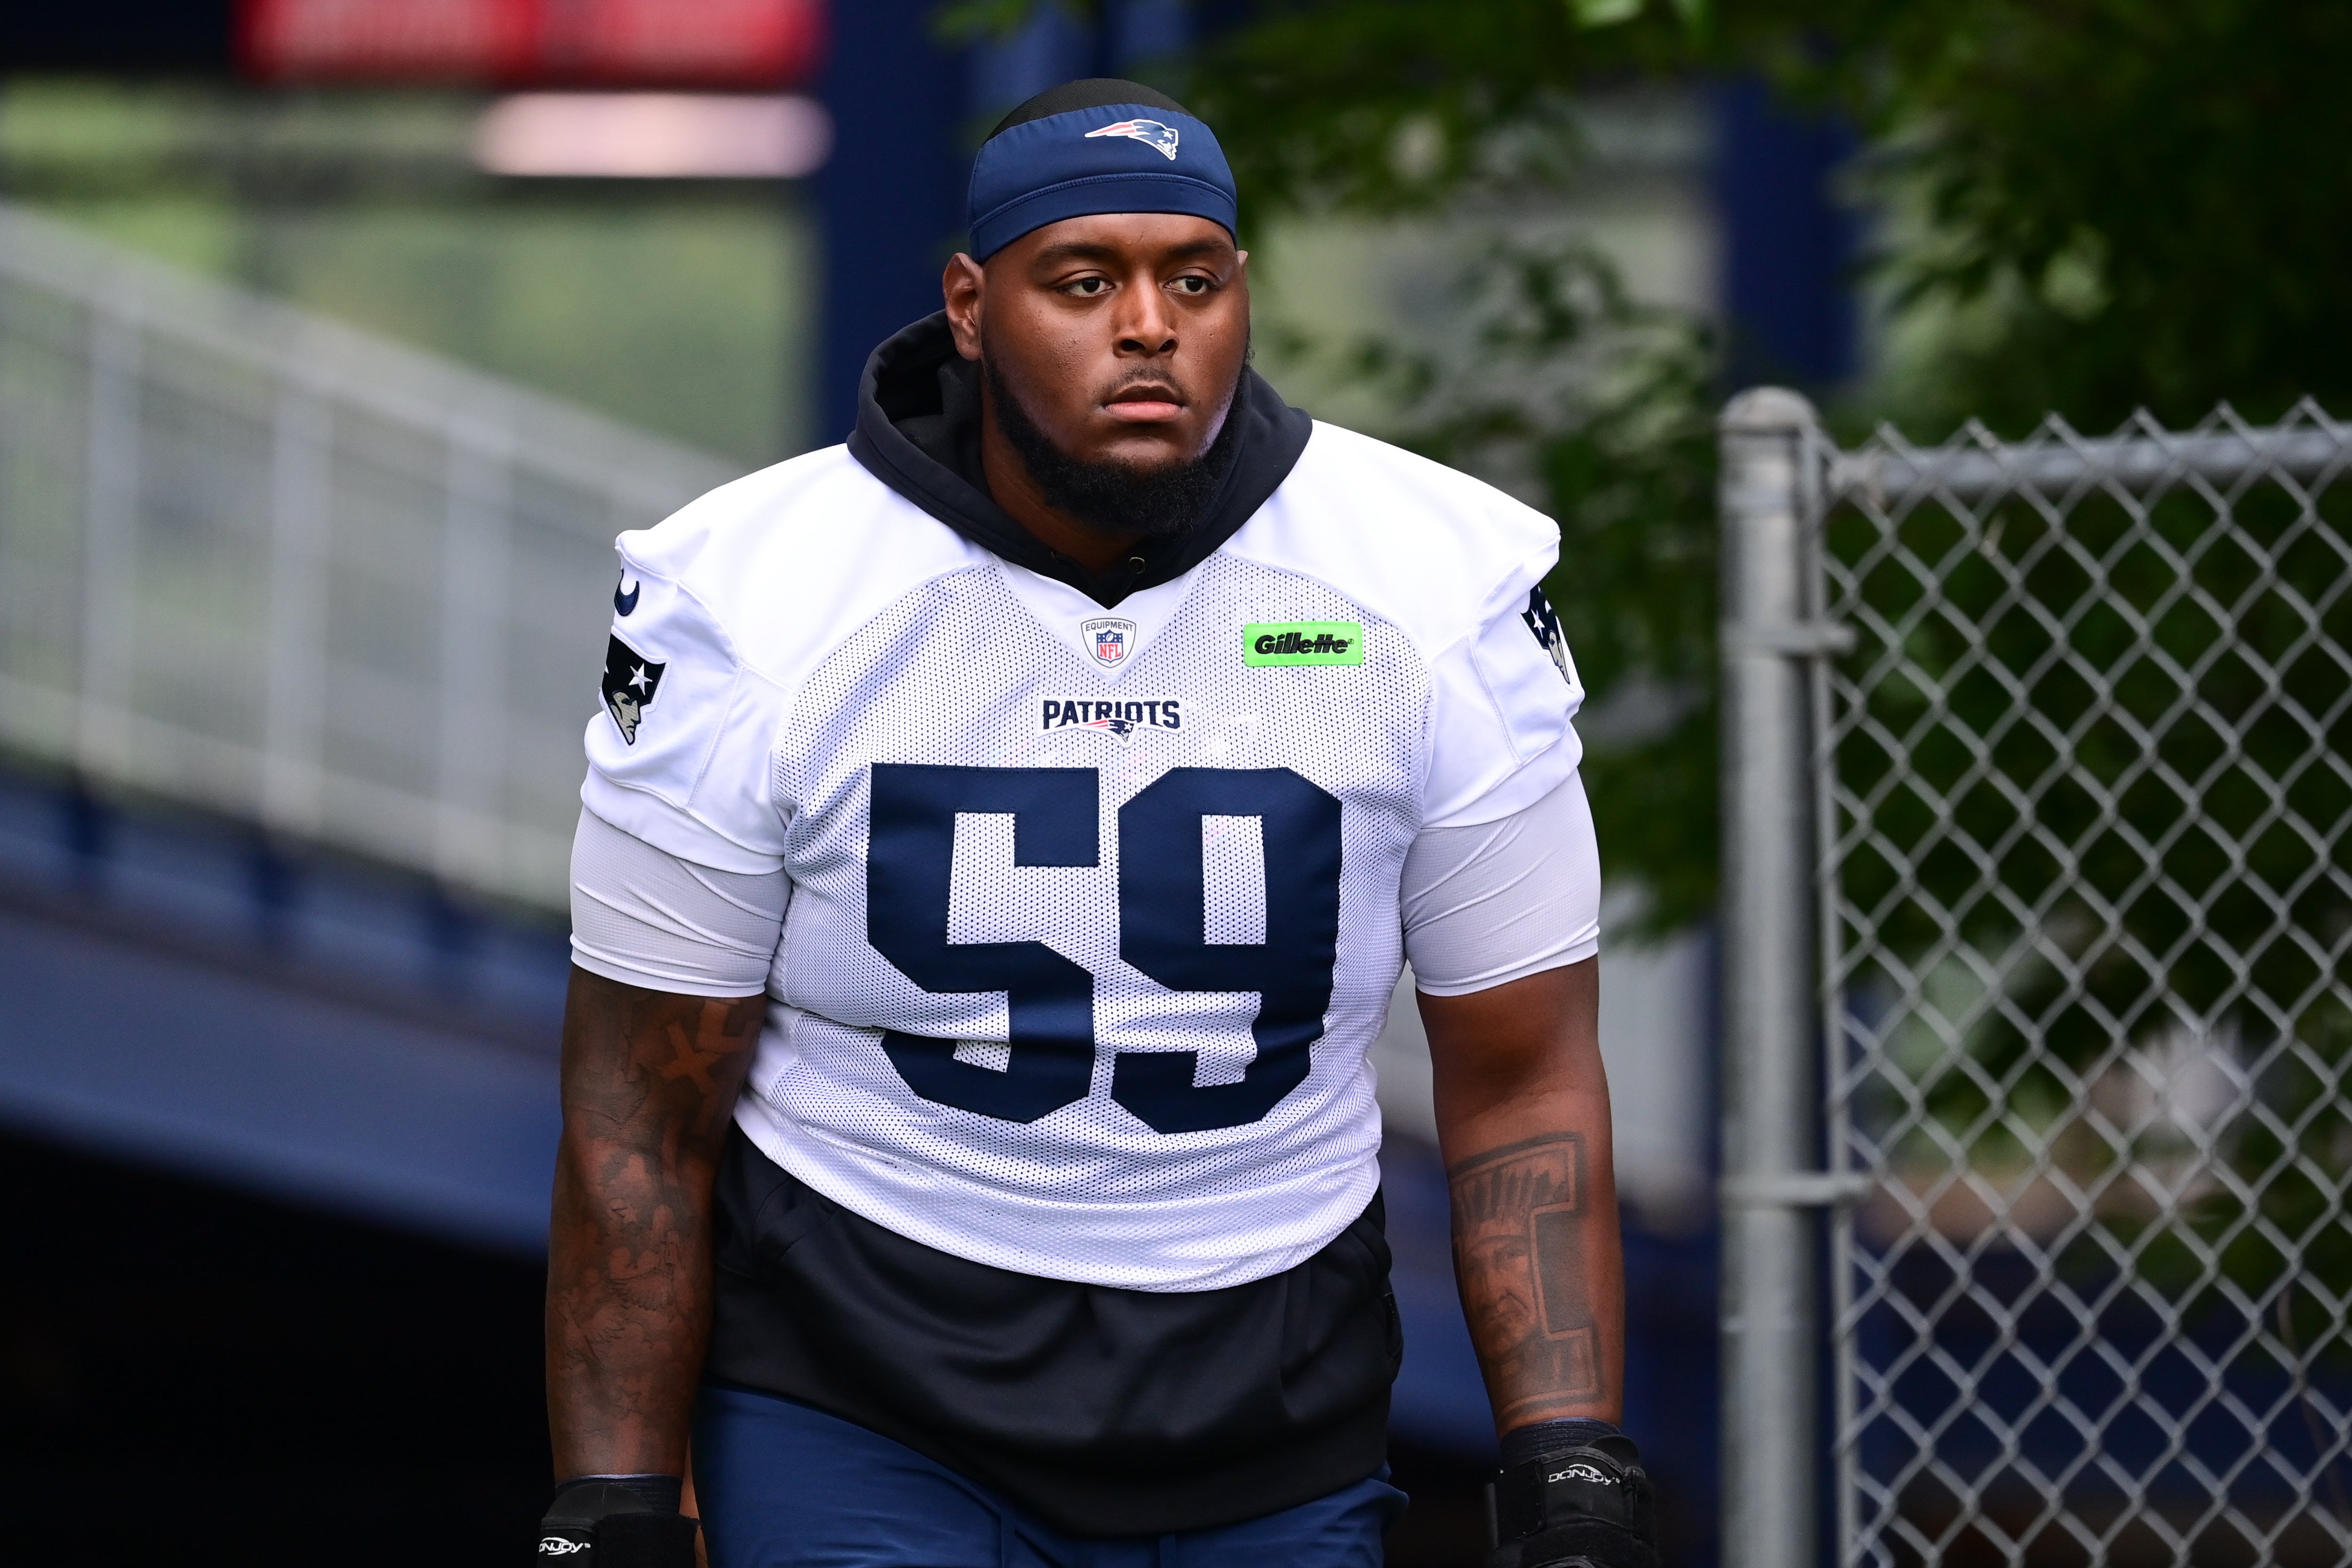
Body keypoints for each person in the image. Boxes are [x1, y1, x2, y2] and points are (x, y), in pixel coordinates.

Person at [540, 77, 1657, 1568]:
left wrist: (1568, 1460)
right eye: (1085, 281)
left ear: (1241, 294)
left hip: (1272, 1401)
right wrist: (614, 1503)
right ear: (970, 305)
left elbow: (1520, 1070)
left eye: (1192, 279)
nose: (1150, 325)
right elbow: (639, 1105)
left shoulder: (1433, 582)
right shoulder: (750, 593)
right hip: (865, 1393)